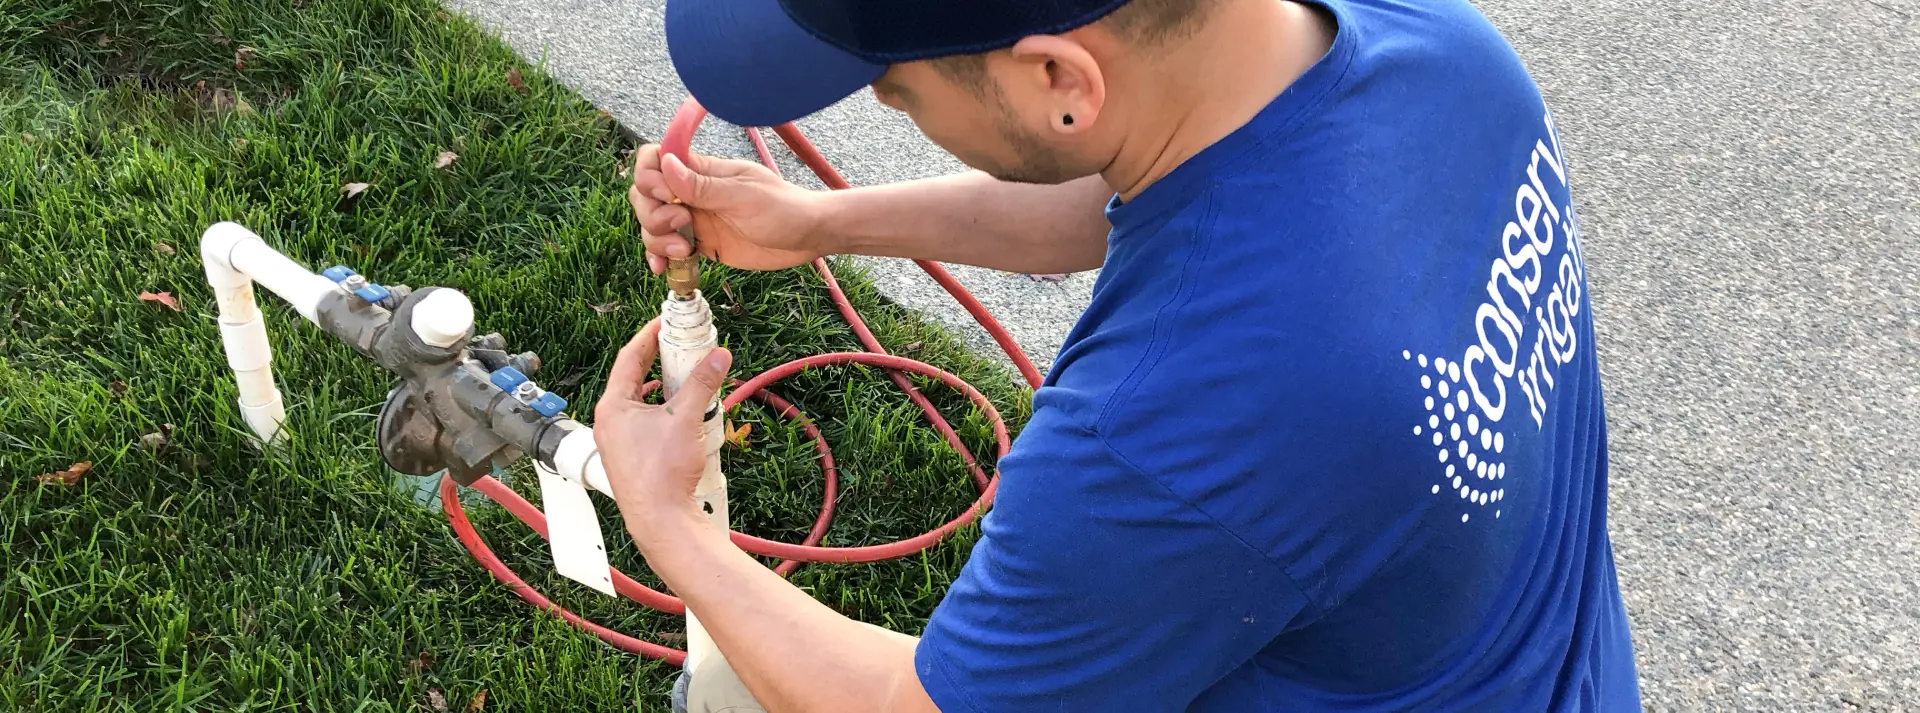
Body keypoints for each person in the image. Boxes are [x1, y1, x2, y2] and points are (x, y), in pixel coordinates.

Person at [592, 0, 1643, 710]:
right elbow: (1142, 186)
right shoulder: (1432, 43)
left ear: (1060, 78)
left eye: (896, 89)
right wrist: (820, 223)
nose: (887, 104)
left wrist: (668, 520)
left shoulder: (1167, 434)